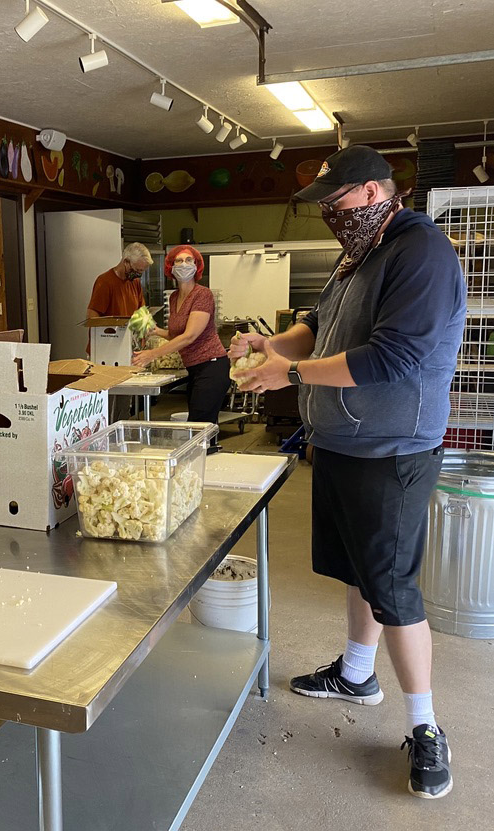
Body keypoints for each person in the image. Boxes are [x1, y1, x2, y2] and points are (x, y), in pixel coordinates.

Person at [231, 145, 466, 799]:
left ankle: (424, 725)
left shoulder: (420, 253)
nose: (327, 215)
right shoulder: (355, 254)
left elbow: (390, 358)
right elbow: (315, 325)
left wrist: (290, 373)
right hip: (339, 442)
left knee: (391, 587)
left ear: (368, 193)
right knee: (356, 569)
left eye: (333, 203)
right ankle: (357, 673)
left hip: (391, 449)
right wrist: (267, 346)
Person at [133, 244, 230, 428]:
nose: (183, 264)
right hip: (194, 369)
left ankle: (207, 454)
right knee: (200, 426)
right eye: (178, 260)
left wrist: (151, 354)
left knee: (199, 427)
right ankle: (208, 452)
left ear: (197, 266)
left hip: (212, 366)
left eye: (188, 260)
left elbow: (189, 336)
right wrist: (155, 331)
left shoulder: (202, 295)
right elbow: (175, 334)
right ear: (171, 267)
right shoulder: (174, 297)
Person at [87, 242, 152, 423]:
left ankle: (121, 430)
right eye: (137, 270)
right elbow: (92, 316)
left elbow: (142, 311)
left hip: (126, 352)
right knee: (107, 402)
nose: (139, 275)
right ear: (126, 261)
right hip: (106, 353)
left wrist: (145, 333)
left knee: (124, 400)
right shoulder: (105, 282)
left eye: (142, 272)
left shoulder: (135, 283)